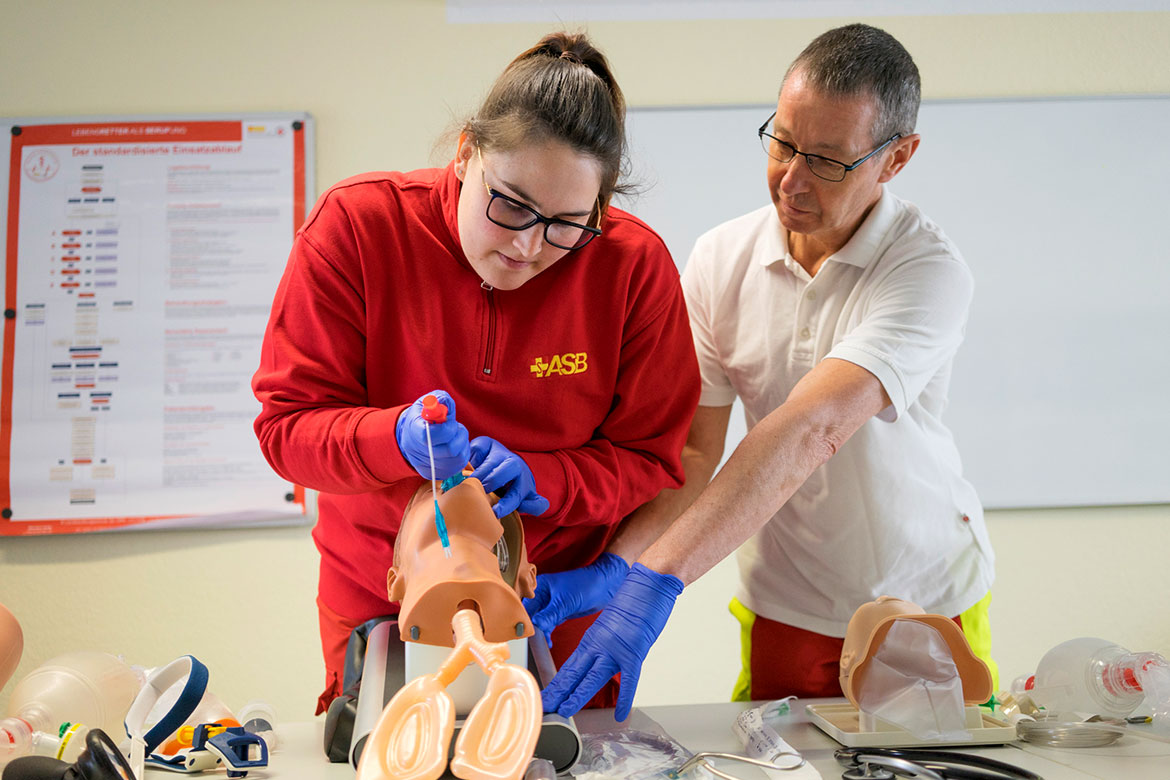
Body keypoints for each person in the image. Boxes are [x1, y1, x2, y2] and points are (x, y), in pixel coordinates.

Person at [530, 23, 997, 721]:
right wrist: (621, 564)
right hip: (788, 597)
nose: (792, 177)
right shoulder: (722, 258)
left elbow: (814, 429)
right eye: (782, 142)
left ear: (897, 159)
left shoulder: (925, 269)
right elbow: (693, 451)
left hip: (923, 596)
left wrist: (657, 580)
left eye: (829, 160)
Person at [251, 31, 699, 715]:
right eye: (510, 205)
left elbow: (652, 460)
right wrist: (388, 438)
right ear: (466, 153)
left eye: (566, 225)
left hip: (551, 598)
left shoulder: (631, 268)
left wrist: (544, 479)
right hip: (385, 591)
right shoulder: (359, 229)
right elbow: (287, 429)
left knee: (551, 750)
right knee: (392, 746)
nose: (527, 247)